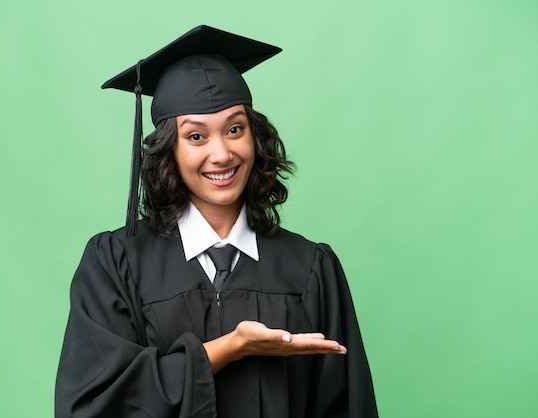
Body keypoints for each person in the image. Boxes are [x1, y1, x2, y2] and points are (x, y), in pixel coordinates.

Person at [55, 25, 378, 417]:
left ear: (255, 138)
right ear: (167, 149)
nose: (222, 153)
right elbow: (93, 405)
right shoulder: (117, 264)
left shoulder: (308, 268)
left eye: (234, 129)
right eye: (196, 137)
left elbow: (347, 407)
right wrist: (226, 349)